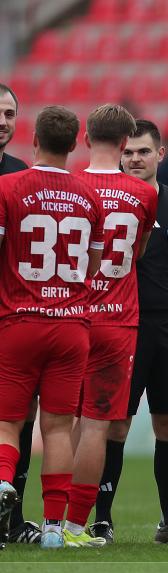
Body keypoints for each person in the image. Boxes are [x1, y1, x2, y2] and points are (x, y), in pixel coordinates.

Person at [91, 119, 168, 544]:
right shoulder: (106, 200)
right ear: (119, 155)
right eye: (128, 152)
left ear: (161, 155)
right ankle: (101, 520)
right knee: (116, 425)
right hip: (121, 324)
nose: (135, 159)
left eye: (143, 151)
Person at [0, 105, 105, 549]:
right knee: (58, 428)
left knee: (6, 423)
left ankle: (3, 481)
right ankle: (51, 529)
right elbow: (94, 264)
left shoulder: (8, 186)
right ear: (74, 143)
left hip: (20, 319)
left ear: (35, 141)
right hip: (72, 325)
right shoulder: (90, 195)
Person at [67, 105, 157, 547]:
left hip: (67, 314)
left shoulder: (69, 186)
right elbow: (136, 255)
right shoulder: (143, 193)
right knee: (97, 425)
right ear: (125, 144)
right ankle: (75, 526)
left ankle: (45, 519)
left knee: (57, 424)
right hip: (117, 320)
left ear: (85, 137)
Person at [0, 82, 41, 546]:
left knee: (19, 416)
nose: (3, 121)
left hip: (14, 319)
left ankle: (13, 517)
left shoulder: (19, 175)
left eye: (10, 114)